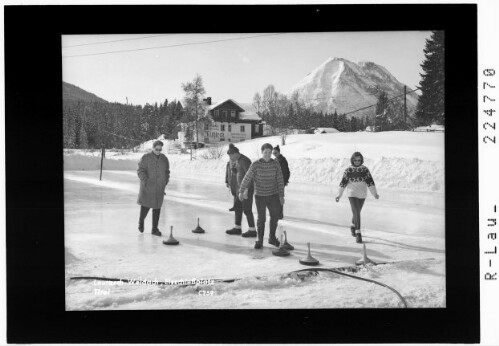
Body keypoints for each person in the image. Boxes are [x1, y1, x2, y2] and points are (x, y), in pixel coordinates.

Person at [239, 143, 285, 249]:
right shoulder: (256, 164)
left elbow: (280, 180)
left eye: (269, 152)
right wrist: (241, 191)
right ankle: (260, 239)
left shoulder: (275, 164)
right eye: (265, 152)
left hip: (273, 195)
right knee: (262, 218)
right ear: (262, 152)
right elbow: (247, 178)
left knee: (275, 217)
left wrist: (281, 195)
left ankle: (272, 238)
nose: (268, 154)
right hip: (260, 196)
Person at [335, 152, 379, 243]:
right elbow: (343, 183)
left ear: (361, 160)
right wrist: (339, 195)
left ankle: (352, 225)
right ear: (352, 160)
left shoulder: (365, 170)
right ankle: (358, 233)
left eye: (359, 160)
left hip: (362, 194)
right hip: (352, 194)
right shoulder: (348, 170)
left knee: (356, 212)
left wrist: (375, 193)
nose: (357, 162)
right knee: (356, 212)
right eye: (355, 160)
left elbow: (370, 182)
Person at [137, 140, 170, 236]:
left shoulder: (164, 159)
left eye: (160, 149)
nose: (158, 151)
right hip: (148, 187)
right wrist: (145, 180)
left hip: (159, 187)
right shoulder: (146, 157)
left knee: (157, 208)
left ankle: (154, 229)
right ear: (153, 148)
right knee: (146, 206)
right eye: (157, 149)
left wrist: (165, 181)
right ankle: (141, 221)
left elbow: (167, 171)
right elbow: (140, 170)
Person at [225, 144, 257, 237]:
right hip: (239, 189)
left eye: (231, 155)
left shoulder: (245, 161)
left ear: (235, 153)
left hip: (246, 189)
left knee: (247, 209)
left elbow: (250, 176)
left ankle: (252, 230)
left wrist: (246, 190)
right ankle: (237, 228)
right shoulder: (238, 160)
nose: (230, 158)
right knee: (237, 208)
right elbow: (240, 173)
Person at [272, 145, 290, 219]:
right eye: (273, 153)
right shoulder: (276, 159)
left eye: (275, 153)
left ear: (279, 152)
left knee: (279, 197)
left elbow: (287, 172)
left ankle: (279, 214)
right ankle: (277, 213)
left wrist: (284, 181)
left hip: (280, 182)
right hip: (275, 182)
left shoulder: (282, 160)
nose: (274, 154)